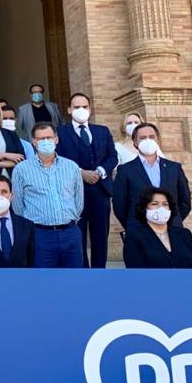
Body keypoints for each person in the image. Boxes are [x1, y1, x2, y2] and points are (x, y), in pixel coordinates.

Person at [56, 93, 117, 268]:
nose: (81, 110)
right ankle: (82, 272)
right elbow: (58, 157)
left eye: (84, 106)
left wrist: (100, 171)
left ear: (90, 109)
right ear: (69, 110)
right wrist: (80, 173)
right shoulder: (60, 132)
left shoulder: (102, 131)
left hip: (100, 190)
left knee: (100, 235)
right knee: (77, 235)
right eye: (76, 107)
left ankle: (99, 272)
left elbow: (112, 156)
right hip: (73, 192)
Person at [12, 123, 85, 267]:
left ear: (56, 139)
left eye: (49, 137)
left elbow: (79, 201)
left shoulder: (71, 167)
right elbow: (18, 206)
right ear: (34, 142)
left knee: (75, 281)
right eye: (41, 139)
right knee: (43, 283)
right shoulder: (21, 170)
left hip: (70, 233)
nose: (45, 141)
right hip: (40, 235)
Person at [112, 123, 191, 233]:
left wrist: (172, 220)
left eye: (152, 137)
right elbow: (119, 204)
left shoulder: (174, 168)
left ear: (157, 139)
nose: (148, 140)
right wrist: (133, 224)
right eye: (143, 138)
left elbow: (185, 201)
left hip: (172, 230)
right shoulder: (125, 170)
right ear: (135, 142)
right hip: (139, 232)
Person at [122, 188, 192, 268]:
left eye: (165, 204)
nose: (161, 208)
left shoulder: (184, 234)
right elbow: (135, 271)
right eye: (154, 204)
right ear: (144, 209)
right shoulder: (134, 237)